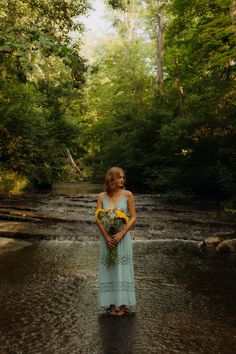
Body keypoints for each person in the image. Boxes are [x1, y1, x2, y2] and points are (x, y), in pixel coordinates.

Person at [96, 166, 136, 316]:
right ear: (111, 178)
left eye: (123, 177)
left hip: (122, 237)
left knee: (122, 268)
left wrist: (122, 233)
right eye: (119, 177)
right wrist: (106, 237)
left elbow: (133, 217)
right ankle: (111, 306)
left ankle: (123, 306)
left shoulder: (128, 195)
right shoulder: (101, 196)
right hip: (107, 238)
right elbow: (98, 218)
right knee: (109, 267)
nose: (122, 180)